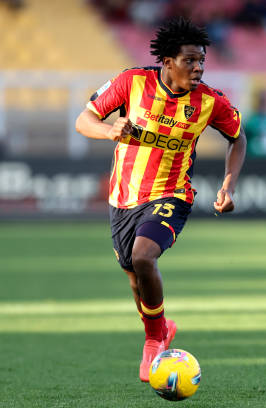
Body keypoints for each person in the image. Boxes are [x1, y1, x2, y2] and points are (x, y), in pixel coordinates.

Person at [75, 17, 246, 382]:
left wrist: (228, 186)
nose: (198, 68)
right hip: (123, 197)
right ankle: (161, 327)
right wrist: (108, 130)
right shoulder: (131, 81)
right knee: (134, 275)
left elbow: (238, 137)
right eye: (189, 60)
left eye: (201, 61)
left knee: (143, 256)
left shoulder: (209, 101)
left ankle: (154, 339)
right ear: (168, 62)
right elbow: (84, 120)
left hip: (172, 193)